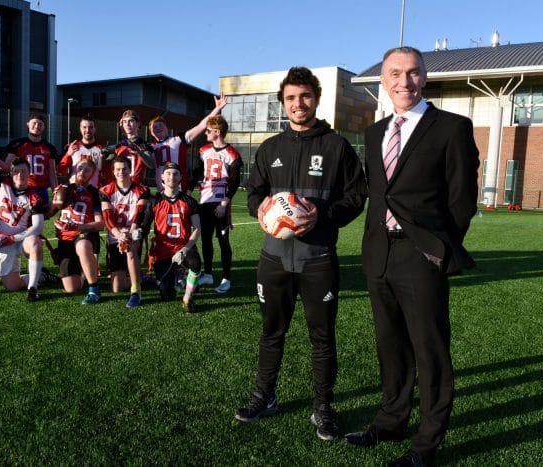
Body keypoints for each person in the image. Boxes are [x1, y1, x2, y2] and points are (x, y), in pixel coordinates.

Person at [344, 47, 479, 466]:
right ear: (384, 80)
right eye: (396, 73)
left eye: (414, 73)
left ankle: (427, 443)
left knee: (430, 349)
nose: (405, 81)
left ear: (425, 77)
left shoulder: (452, 127)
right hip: (379, 255)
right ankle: (390, 419)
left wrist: (436, 247)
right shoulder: (375, 131)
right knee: (391, 346)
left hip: (422, 257)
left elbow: (462, 201)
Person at [236, 66, 367, 442]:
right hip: (273, 258)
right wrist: (260, 208)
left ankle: (323, 408)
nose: (298, 104)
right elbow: (254, 193)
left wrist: (323, 214)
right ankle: (265, 396)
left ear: (316, 98)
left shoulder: (336, 146)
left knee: (322, 337)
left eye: (305, 96)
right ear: (283, 103)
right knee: (271, 331)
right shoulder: (271, 148)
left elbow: (356, 197)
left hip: (317, 259)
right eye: (291, 98)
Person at [0, 127, 50, 302]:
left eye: (24, 171)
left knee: (36, 243)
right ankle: (41, 276)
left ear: (29, 173)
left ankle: (33, 288)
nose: (20, 175)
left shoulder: (34, 197)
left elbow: (37, 227)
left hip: (21, 239)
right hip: (3, 240)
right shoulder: (2, 184)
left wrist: (15, 238)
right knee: (11, 286)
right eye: (16, 172)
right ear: (11, 173)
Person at [191, 115, 243, 293]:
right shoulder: (204, 149)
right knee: (205, 239)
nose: (205, 133)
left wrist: (224, 202)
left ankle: (226, 278)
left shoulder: (232, 154)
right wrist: (189, 192)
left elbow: (235, 181)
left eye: (208, 130)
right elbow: (197, 172)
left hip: (220, 202)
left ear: (217, 132)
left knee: (223, 241)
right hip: (205, 200)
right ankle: (208, 273)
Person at [148, 92, 228, 193]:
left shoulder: (179, 140)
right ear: (151, 132)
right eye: (154, 127)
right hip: (162, 193)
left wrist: (217, 109)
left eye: (160, 125)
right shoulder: (150, 148)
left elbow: (201, 126)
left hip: (180, 191)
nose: (158, 128)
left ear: (166, 127)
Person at [149, 162, 202, 313]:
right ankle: (183, 277)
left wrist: (185, 250)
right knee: (167, 294)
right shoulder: (155, 201)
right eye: (168, 174)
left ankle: (187, 298)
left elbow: (197, 228)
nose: (172, 177)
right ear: (162, 177)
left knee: (196, 263)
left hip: (183, 246)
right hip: (164, 249)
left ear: (180, 177)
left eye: (175, 174)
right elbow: (144, 225)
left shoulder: (189, 201)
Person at [50, 158, 104, 305]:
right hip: (65, 239)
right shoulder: (65, 189)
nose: (82, 172)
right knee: (72, 288)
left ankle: (94, 289)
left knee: (82, 245)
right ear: (75, 170)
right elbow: (48, 214)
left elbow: (100, 224)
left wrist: (78, 227)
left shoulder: (95, 194)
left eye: (87, 169)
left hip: (84, 235)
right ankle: (84, 270)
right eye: (80, 168)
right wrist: (55, 201)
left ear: (93, 173)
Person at [99, 155, 150, 308]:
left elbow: (139, 215)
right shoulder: (105, 191)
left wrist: (129, 233)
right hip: (116, 235)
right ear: (113, 171)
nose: (122, 172)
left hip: (133, 232)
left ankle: (136, 291)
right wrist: (119, 235)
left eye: (125, 169)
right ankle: (140, 277)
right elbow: (108, 218)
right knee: (117, 287)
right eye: (118, 169)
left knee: (129, 248)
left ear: (131, 170)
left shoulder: (142, 190)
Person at [0, 113, 58, 206]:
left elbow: (52, 172)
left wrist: (55, 191)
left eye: (40, 124)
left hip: (41, 190)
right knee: (20, 218)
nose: (37, 126)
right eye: (34, 123)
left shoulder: (49, 148)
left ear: (44, 127)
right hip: (22, 188)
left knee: (40, 219)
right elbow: (6, 168)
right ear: (27, 124)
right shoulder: (17, 144)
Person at [110, 110, 156, 186]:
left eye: (131, 121)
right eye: (124, 121)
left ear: (138, 123)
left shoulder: (144, 145)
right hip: (120, 186)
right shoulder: (119, 145)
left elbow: (151, 165)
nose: (127, 124)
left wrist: (139, 152)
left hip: (137, 187)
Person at [57, 114, 105, 188]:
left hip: (94, 192)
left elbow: (106, 174)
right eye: (84, 127)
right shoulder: (72, 147)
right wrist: (68, 154)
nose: (87, 130)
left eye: (90, 127)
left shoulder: (102, 149)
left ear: (95, 129)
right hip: (74, 191)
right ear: (80, 128)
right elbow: (61, 171)